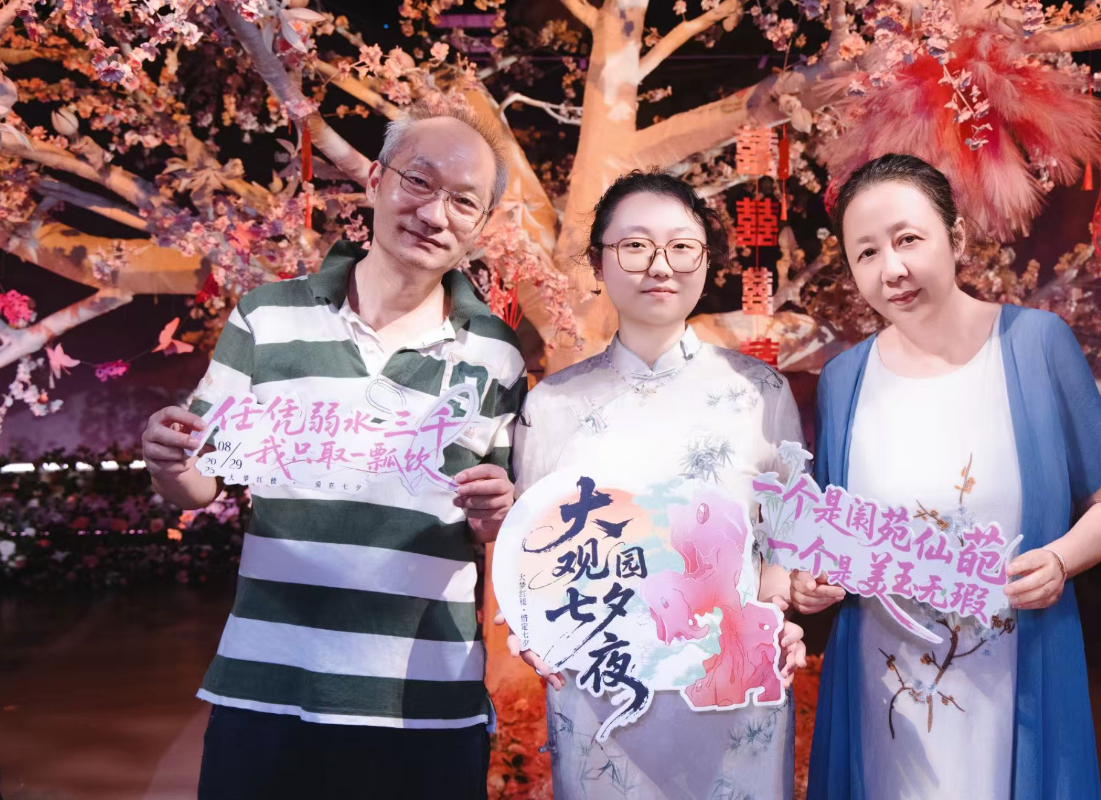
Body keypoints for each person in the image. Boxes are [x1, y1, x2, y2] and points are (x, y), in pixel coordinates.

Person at [140, 100, 527, 800]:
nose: (435, 213)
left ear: (481, 222)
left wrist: (498, 512)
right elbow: (199, 481)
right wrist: (170, 463)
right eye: (419, 181)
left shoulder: (497, 355)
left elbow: (492, 522)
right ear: (376, 180)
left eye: (464, 201)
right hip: (268, 682)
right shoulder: (266, 316)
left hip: (423, 697)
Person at [795, 154, 1101, 800]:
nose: (891, 269)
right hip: (883, 684)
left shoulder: (1036, 345)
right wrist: (811, 581)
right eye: (866, 253)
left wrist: (1060, 560)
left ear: (955, 237)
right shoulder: (844, 380)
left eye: (908, 239)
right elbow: (833, 537)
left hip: (1013, 672)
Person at [506, 170, 807, 799]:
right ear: (599, 263)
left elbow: (785, 544)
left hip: (729, 693)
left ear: (706, 260)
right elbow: (529, 554)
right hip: (599, 690)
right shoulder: (553, 404)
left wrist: (781, 611)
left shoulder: (759, 392)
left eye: (681, 247)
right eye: (635, 246)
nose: (660, 266)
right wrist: (529, 629)